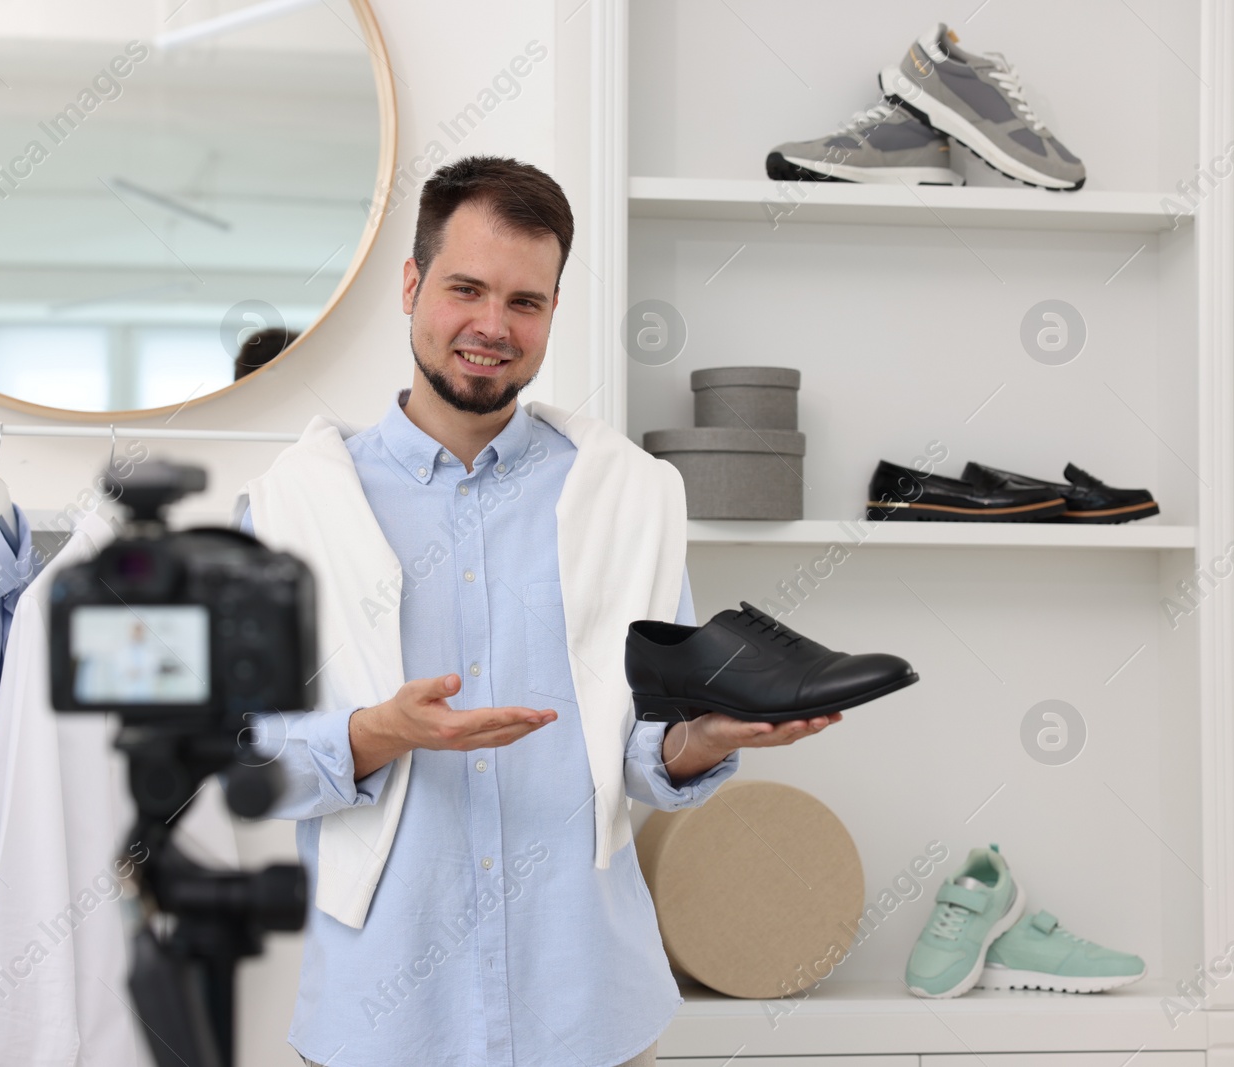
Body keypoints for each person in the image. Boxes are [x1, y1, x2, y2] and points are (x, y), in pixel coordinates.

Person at [234, 155, 839, 1067]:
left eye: (526, 301)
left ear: (554, 310)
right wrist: (377, 733)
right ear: (410, 285)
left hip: (588, 1013)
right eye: (466, 288)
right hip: (383, 1021)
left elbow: (640, 751)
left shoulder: (630, 497)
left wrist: (701, 742)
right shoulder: (292, 509)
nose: (492, 325)